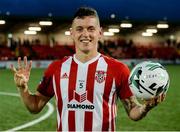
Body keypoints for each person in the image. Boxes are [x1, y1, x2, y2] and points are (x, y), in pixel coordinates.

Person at [10, 7, 165, 131]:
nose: (85, 34)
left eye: (91, 28)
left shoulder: (118, 69)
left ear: (100, 32)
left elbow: (132, 110)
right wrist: (22, 88)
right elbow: (35, 106)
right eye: (79, 29)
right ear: (71, 33)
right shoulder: (56, 68)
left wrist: (145, 107)